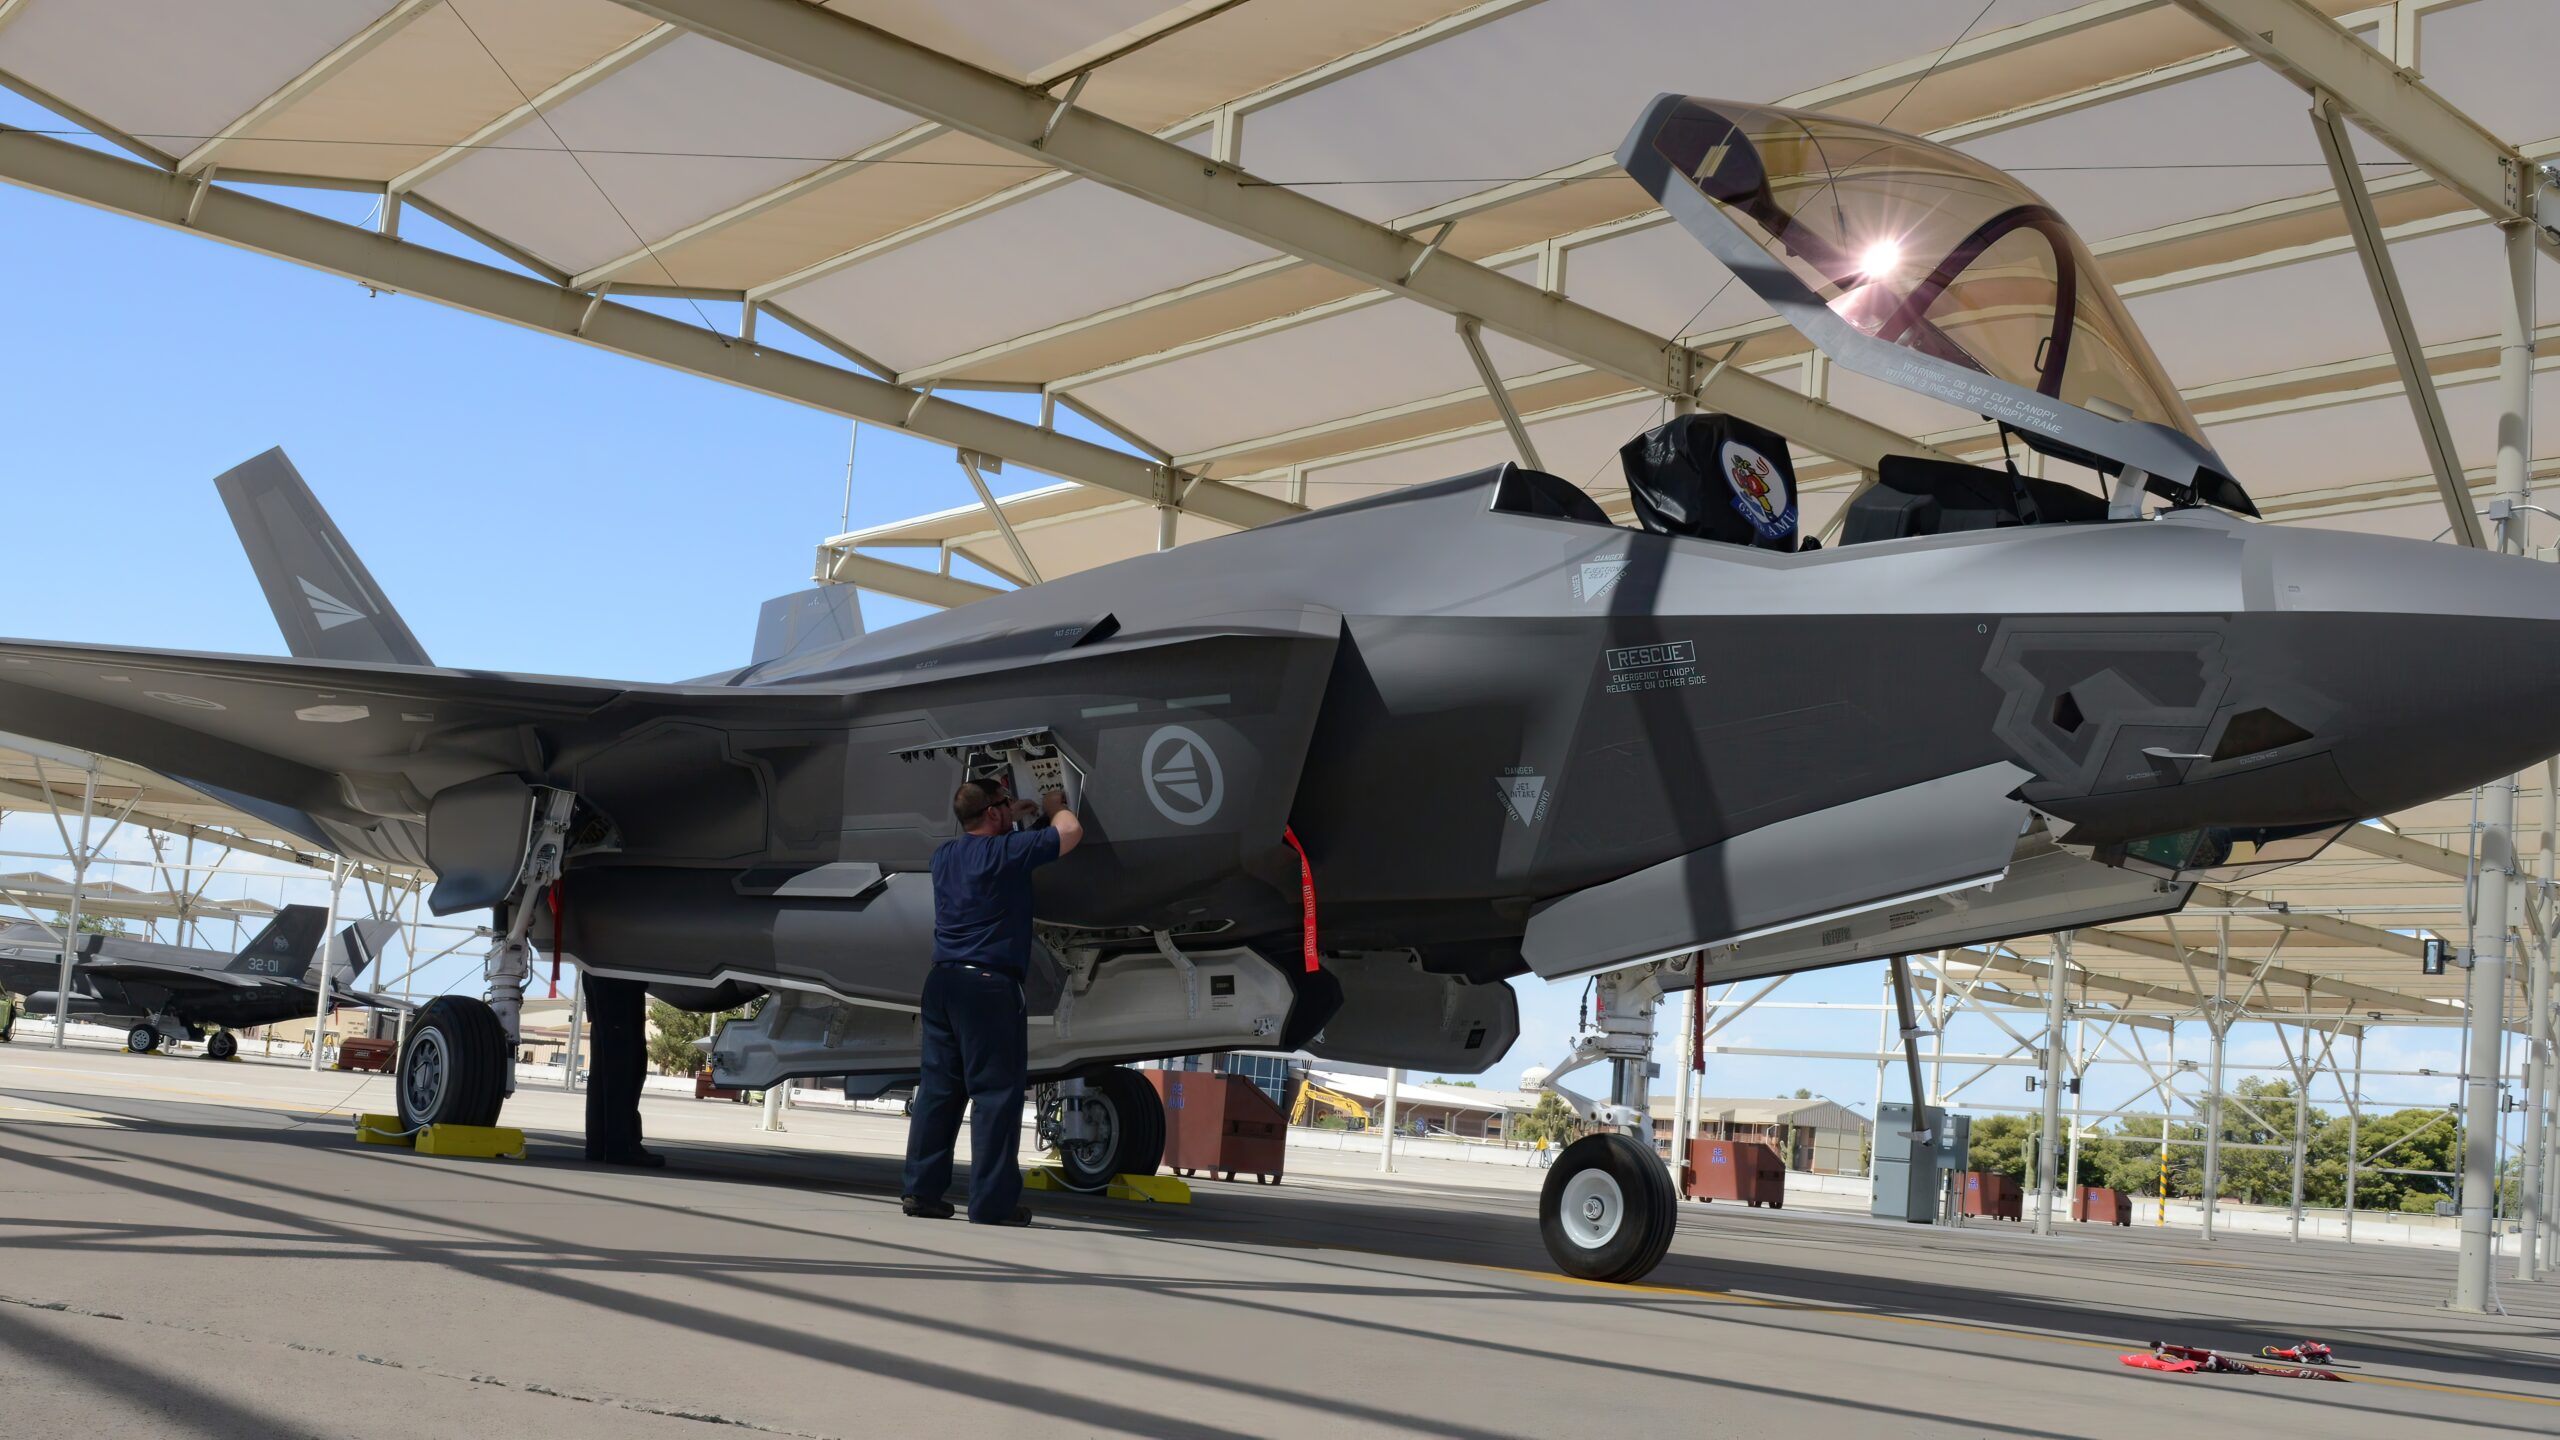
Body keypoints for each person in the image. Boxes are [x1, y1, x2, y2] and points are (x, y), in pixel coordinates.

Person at [902, 778, 1081, 1225]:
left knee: (939, 1093)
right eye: (1003, 804)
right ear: (995, 813)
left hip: (942, 983)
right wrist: (1055, 805)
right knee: (996, 1096)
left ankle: (922, 1193)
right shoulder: (1006, 854)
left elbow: (991, 838)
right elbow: (1069, 832)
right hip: (988, 985)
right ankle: (992, 1203)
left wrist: (1011, 814)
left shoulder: (943, 856)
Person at [583, 971, 660, 1168]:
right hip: (619, 975)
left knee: (603, 1065)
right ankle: (621, 1145)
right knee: (625, 1065)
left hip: (599, 969)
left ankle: (599, 1145)